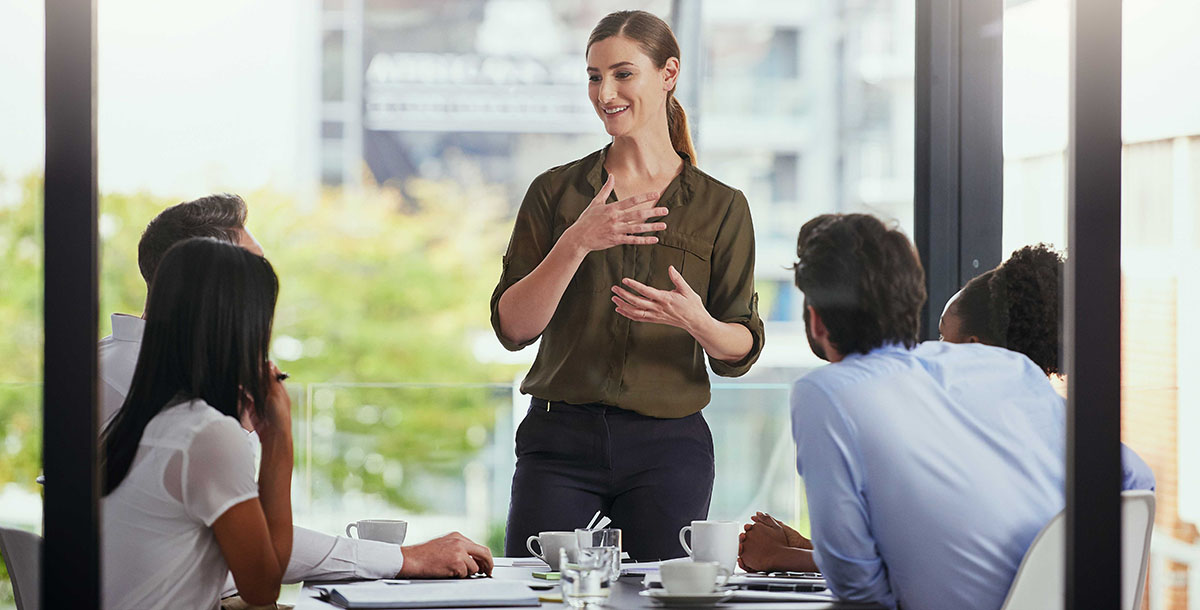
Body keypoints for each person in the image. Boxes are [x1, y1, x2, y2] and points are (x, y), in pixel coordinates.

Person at [99, 195, 493, 596]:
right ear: (223, 306)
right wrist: (278, 437)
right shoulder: (197, 428)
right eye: (251, 283)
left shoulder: (115, 384)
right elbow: (262, 582)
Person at [491, 10, 764, 561]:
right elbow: (513, 328)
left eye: (622, 74)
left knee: (662, 597)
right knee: (538, 592)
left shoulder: (722, 206)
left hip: (669, 445)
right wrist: (577, 241)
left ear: (668, 74)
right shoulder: (554, 192)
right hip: (558, 440)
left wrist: (698, 322)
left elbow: (741, 346)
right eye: (594, 77)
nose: (605, 92)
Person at [740, 214, 1067, 610]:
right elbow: (1132, 481)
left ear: (815, 320)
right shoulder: (1009, 369)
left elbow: (860, 588)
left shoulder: (826, 394)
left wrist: (793, 557)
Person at [102, 237, 293, 609]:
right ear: (239, 330)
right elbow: (263, 588)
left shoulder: (127, 427)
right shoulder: (204, 436)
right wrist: (279, 439)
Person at [938, 243, 1155, 491]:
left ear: (974, 347)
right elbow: (1141, 483)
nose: (936, 347)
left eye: (943, 336)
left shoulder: (962, 440)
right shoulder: (1089, 441)